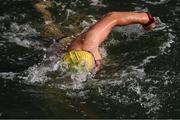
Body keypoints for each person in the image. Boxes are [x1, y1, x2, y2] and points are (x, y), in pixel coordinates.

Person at [63, 12, 156, 73]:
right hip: (86, 55)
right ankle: (144, 17)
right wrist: (146, 19)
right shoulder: (86, 42)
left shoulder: (69, 49)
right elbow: (113, 16)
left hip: (88, 67)